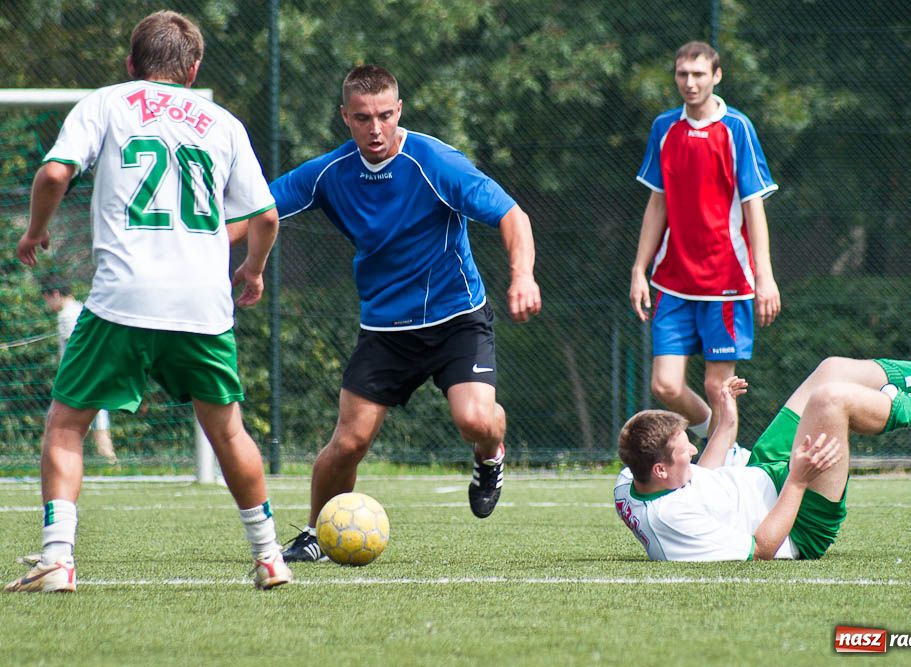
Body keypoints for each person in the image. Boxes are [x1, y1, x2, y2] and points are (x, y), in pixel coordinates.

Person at [6, 10, 290, 592]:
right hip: (203, 304)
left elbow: (55, 174)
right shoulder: (223, 123)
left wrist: (35, 232)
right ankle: (269, 556)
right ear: (194, 68)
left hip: (123, 298)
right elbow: (264, 217)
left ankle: (57, 558)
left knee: (66, 423)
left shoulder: (106, 103)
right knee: (229, 432)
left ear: (131, 62)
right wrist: (254, 271)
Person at [269, 64, 542, 562]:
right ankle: (314, 533)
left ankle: (490, 455)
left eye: (385, 116)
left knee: (475, 420)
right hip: (385, 329)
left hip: (456, 319)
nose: (375, 129)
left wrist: (522, 275)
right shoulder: (329, 173)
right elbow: (258, 210)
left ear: (399, 110)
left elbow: (512, 215)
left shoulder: (435, 162)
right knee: (348, 443)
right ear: (345, 117)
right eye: (362, 118)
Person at [614, 300, 911, 561]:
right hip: (800, 522)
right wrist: (797, 480)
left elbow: (704, 477)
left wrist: (726, 423)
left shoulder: (632, 477)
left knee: (831, 369)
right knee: (831, 399)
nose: (693, 452)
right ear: (660, 470)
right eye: (684, 450)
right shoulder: (673, 521)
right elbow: (761, 549)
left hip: (762, 469)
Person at [629, 40, 780, 450]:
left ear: (717, 76)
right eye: (683, 74)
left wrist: (765, 277)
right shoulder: (665, 128)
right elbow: (657, 203)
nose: (690, 82)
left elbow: (753, 207)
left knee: (718, 386)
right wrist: (639, 269)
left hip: (727, 281)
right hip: (673, 280)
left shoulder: (737, 128)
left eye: (699, 74)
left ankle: (720, 463)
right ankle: (721, 439)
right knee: (665, 385)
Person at [41, 283, 117, 464]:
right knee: (98, 417)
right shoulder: (81, 308)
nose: (47, 305)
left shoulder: (66, 315)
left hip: (79, 376)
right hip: (94, 371)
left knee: (57, 419)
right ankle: (108, 459)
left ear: (55, 293)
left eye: (47, 299)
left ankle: (52, 461)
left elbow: (75, 349)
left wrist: (69, 378)